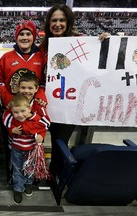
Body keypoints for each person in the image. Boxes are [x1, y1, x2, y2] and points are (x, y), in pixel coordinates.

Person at [39, 4, 110, 179]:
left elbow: (100, 65)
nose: (57, 24)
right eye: (54, 20)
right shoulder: (44, 47)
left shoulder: (81, 42)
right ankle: (37, 171)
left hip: (68, 104)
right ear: (48, 23)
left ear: (68, 22)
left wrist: (106, 43)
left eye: (62, 20)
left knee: (59, 142)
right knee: (37, 139)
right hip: (46, 103)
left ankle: (54, 175)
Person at [2, 93, 49, 205]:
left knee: (30, 168)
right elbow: (6, 119)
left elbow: (45, 124)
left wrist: (40, 135)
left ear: (29, 109)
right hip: (16, 149)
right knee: (17, 170)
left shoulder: (36, 118)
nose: (19, 115)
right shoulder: (11, 119)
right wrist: (12, 130)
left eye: (23, 111)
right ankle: (18, 189)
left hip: (31, 150)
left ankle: (28, 184)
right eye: (16, 112)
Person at [0, 20, 47, 108]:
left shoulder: (41, 57)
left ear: (34, 36)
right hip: (13, 107)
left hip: (34, 106)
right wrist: (8, 99)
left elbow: (44, 82)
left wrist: (40, 95)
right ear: (16, 37)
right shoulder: (6, 58)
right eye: (21, 34)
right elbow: (1, 83)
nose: (25, 37)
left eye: (28, 34)